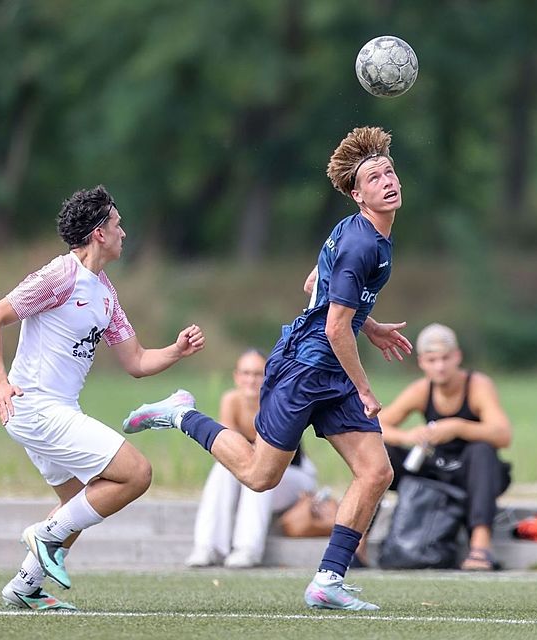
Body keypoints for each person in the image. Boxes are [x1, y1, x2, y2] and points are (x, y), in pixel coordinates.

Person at [123, 126, 412, 611]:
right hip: (305, 367)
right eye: (373, 178)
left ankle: (328, 581)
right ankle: (179, 413)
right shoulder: (363, 244)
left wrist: (371, 324)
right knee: (260, 476)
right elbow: (334, 326)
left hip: (330, 367)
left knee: (376, 471)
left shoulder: (365, 232)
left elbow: (315, 285)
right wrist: (364, 388)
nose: (387, 181)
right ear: (357, 195)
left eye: (389, 172)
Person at [0, 185, 205, 611]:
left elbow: (136, 360)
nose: (124, 233)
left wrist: (176, 351)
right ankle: (43, 536)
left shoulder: (105, 292)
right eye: (118, 224)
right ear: (99, 233)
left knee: (80, 501)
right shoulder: (59, 276)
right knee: (136, 474)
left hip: (55, 410)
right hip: (34, 407)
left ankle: (24, 585)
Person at [376, 323, 512, 571]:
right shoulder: (420, 390)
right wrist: (408, 436)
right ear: (422, 362)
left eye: (445, 358)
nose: (440, 366)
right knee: (380, 452)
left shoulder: (477, 385)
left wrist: (458, 427)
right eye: (432, 360)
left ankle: (480, 547)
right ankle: (357, 544)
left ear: (457, 356)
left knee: (483, 450)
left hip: (472, 472)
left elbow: (503, 435)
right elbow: (377, 426)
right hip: (434, 468)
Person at [185, 349, 318, 569]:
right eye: (246, 373)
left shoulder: (278, 402)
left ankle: (247, 548)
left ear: (268, 376)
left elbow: (269, 457)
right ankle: (208, 546)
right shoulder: (231, 400)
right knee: (223, 468)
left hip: (293, 475)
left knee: (260, 468)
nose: (251, 380)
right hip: (253, 473)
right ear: (237, 376)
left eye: (257, 374)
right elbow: (224, 448)